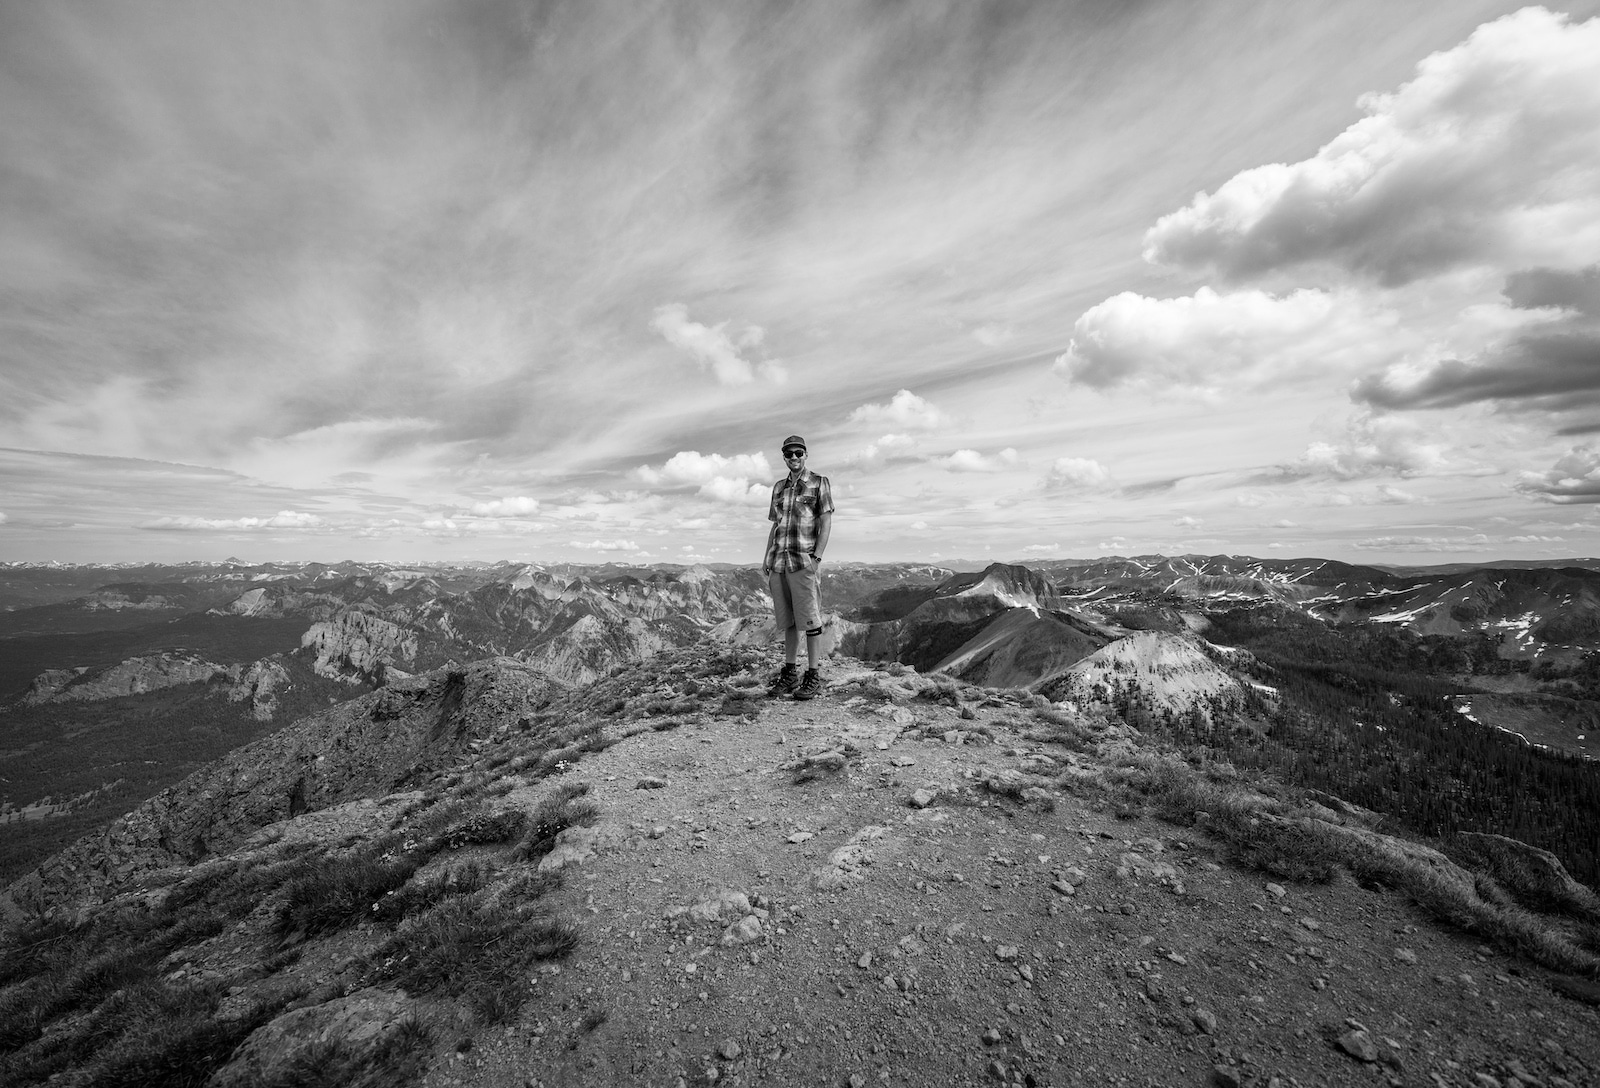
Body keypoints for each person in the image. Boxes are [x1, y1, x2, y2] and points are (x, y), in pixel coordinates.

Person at [762, 434, 833, 700]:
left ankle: (813, 676)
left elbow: (825, 522)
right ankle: (790, 674)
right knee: (789, 621)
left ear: (806, 454)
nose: (794, 458)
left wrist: (817, 558)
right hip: (779, 561)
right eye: (789, 454)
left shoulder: (818, 483)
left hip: (804, 561)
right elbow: (775, 524)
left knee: (811, 621)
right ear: (784, 457)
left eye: (798, 453)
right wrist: (766, 557)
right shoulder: (779, 488)